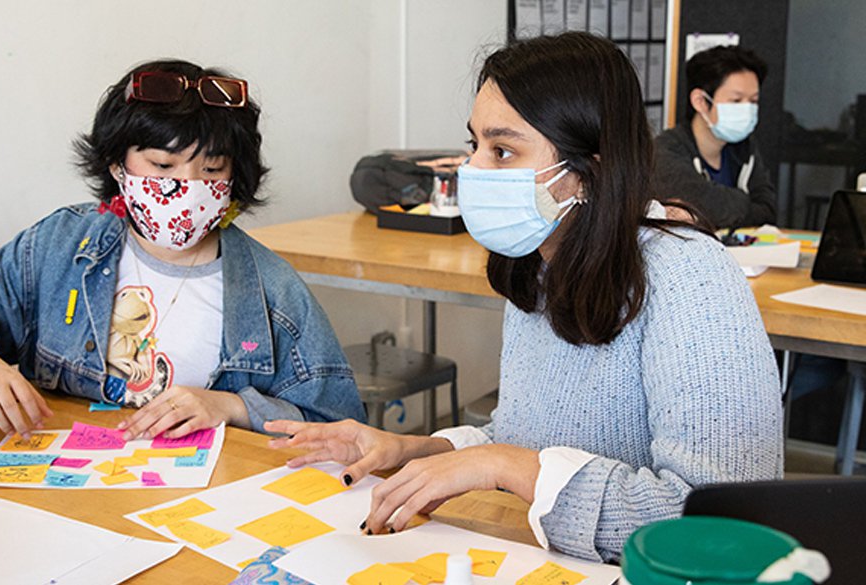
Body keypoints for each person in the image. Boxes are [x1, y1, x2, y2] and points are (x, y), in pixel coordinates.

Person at [267, 32, 783, 563]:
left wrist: (502, 467)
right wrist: (411, 451)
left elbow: (725, 521)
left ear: (591, 167)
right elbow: (521, 437)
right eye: (475, 145)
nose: (472, 169)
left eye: (503, 150)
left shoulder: (689, 276)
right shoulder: (539, 261)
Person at [0, 59, 365, 440]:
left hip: (198, 503)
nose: (187, 187)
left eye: (213, 171)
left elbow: (337, 425)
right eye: (163, 166)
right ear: (117, 165)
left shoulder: (272, 291)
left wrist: (231, 406)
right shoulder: (61, 247)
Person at [652, 45, 776, 230]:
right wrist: (744, 201)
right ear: (700, 102)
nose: (747, 109)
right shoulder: (664, 151)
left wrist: (717, 206)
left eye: (753, 101)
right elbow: (701, 205)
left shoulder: (743, 147)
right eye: (736, 100)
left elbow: (767, 210)